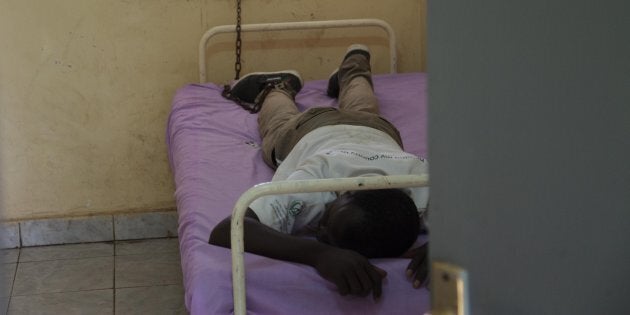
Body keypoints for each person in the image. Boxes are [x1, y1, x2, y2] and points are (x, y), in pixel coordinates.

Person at [209, 44, 430, 300]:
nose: (320, 228)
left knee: (363, 106)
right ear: (344, 193)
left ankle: (355, 68)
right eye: (327, 224)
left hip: (375, 130)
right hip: (310, 129)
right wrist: (318, 254)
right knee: (279, 122)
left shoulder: (422, 180)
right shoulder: (314, 184)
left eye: (323, 235)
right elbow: (227, 230)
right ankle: (276, 87)